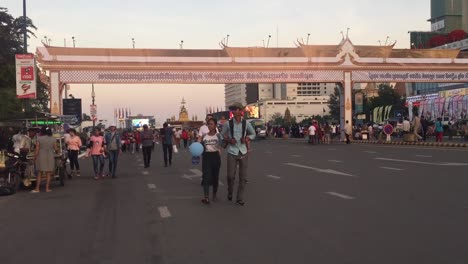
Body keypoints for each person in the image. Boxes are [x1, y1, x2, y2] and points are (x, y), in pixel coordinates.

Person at [220, 102, 255, 206]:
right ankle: (230, 191)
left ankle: (240, 198)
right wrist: (229, 139)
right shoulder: (228, 124)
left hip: (243, 151)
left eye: (236, 109)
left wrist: (247, 138)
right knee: (230, 176)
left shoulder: (246, 123)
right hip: (232, 151)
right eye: (233, 109)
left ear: (241, 111)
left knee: (242, 177)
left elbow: (253, 134)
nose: (234, 111)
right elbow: (221, 136)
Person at [199, 118, 222, 204]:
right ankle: (206, 197)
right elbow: (200, 147)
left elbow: (223, 145)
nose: (210, 126)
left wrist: (227, 139)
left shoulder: (218, 136)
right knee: (206, 177)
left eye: (212, 124)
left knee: (215, 177)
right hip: (206, 157)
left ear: (215, 125)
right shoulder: (204, 136)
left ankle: (214, 194)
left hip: (215, 156)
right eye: (208, 124)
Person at [32, 126, 58, 193]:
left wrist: (34, 157)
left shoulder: (39, 138)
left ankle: (37, 189)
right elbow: (56, 148)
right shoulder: (53, 139)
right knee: (48, 173)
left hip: (41, 156)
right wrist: (58, 152)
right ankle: (47, 189)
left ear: (42, 131)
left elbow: (37, 149)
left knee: (39, 173)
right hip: (50, 156)